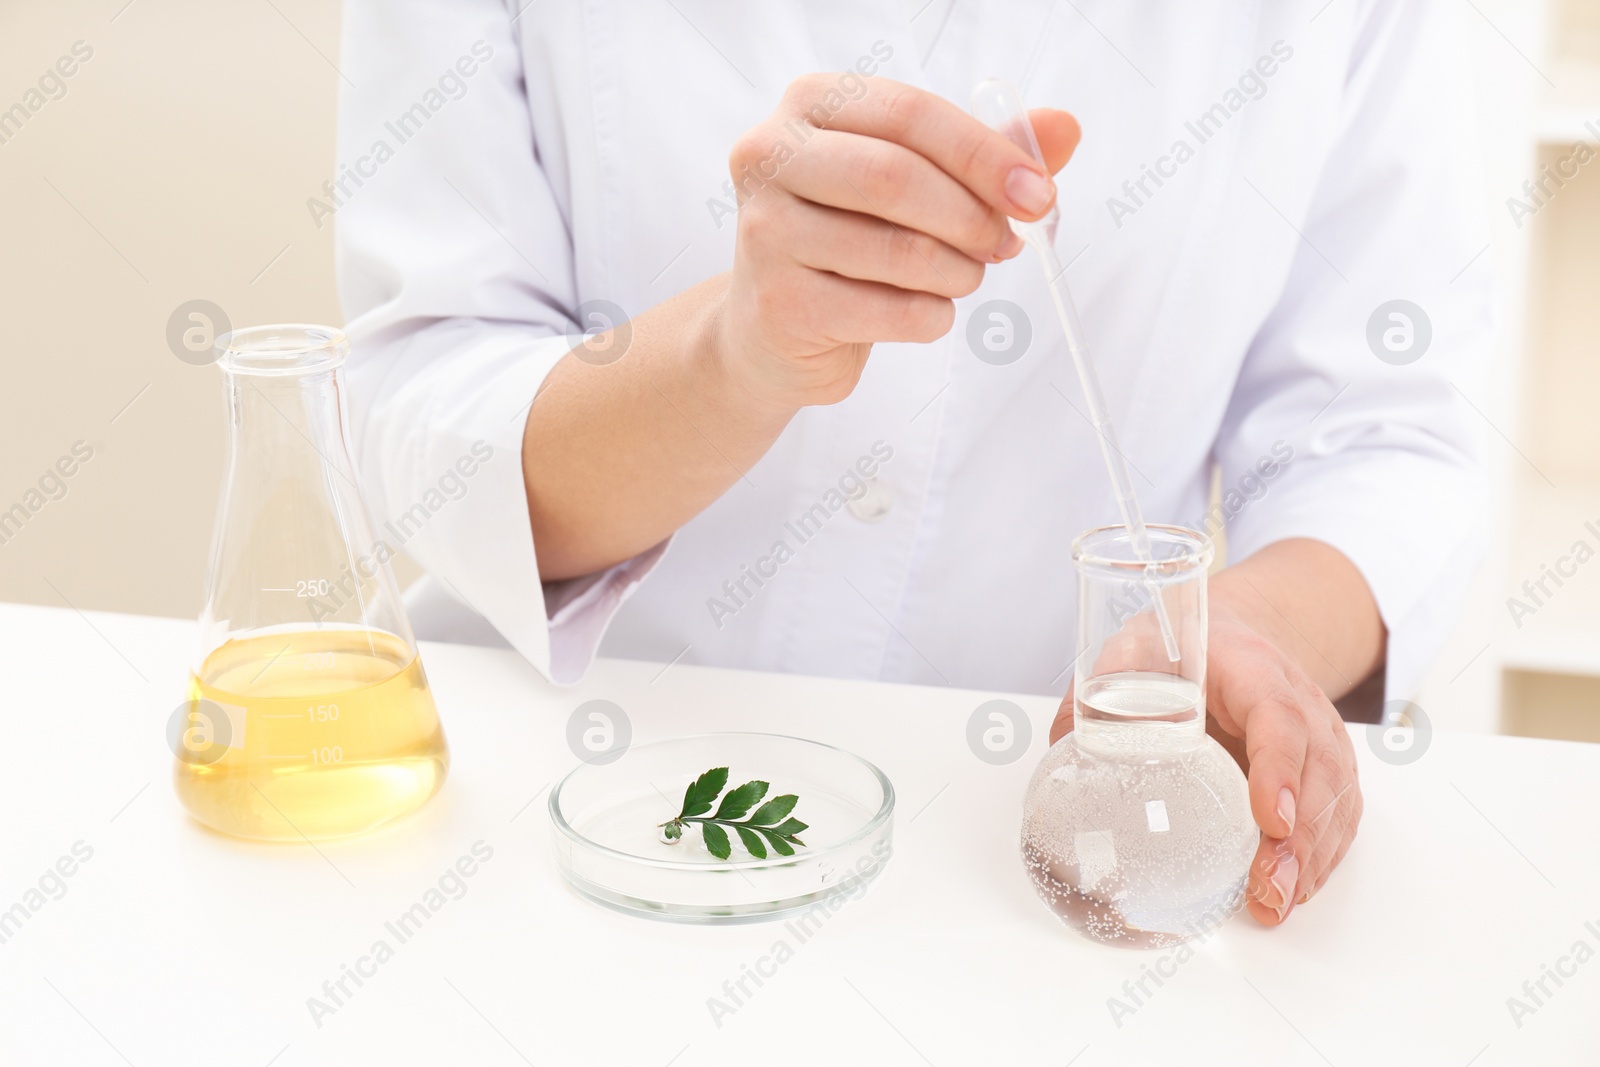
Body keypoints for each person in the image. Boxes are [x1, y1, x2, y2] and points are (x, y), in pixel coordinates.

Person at [333, 0, 1490, 928]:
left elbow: (1379, 435)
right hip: (549, 815)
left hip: (1024, 858)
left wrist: (1254, 627)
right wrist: (729, 357)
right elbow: (426, 391)